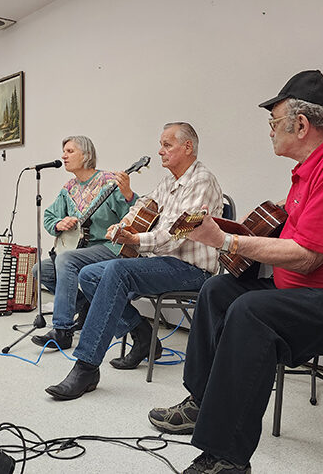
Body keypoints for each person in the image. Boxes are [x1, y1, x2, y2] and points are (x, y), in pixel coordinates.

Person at [147, 71, 323, 474]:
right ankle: (203, 403)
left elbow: (307, 257)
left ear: (302, 125)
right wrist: (228, 233)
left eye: (274, 123)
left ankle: (226, 458)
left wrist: (224, 241)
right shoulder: (312, 168)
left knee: (253, 311)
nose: (270, 131)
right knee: (220, 290)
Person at [45, 122, 223, 400]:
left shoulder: (202, 181)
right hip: (162, 263)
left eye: (167, 144)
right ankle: (143, 335)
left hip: (191, 269)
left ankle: (86, 367)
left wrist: (137, 240)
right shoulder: (168, 182)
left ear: (187, 147)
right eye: (161, 144)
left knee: (117, 269)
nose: (160, 151)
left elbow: (178, 233)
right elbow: (142, 206)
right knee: (89, 275)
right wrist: (123, 227)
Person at [31, 135, 137, 351]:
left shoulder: (109, 183)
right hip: (81, 251)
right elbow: (50, 216)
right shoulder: (68, 188)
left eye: (70, 151)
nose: (63, 156)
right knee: (40, 270)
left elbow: (134, 216)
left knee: (66, 259)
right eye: (64, 151)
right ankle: (85, 306)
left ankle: (62, 330)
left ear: (86, 155)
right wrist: (60, 223)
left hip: (110, 248)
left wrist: (128, 195)